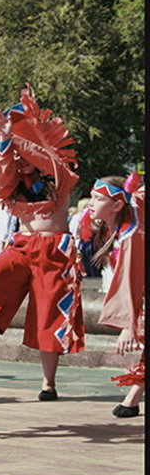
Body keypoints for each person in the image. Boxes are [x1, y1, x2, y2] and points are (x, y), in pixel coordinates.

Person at [0, 87, 84, 401]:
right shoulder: (16, 182)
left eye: (24, 152)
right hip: (23, 246)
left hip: (56, 251)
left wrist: (11, 134)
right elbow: (4, 175)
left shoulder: (60, 174)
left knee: (50, 317)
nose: (22, 161)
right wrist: (3, 140)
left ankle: (49, 384)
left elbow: (45, 158)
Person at [87, 174, 144, 417]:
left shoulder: (132, 234)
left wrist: (129, 326)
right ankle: (133, 398)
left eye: (98, 198)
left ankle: (133, 397)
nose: (90, 203)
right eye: (91, 197)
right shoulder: (120, 226)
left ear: (118, 205)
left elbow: (131, 282)